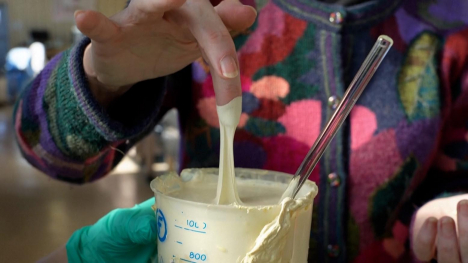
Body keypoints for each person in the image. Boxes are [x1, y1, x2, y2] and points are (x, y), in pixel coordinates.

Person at [14, 0, 468, 262]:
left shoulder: (451, 23)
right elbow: (49, 153)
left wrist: (443, 212)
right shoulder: (206, 12)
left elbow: (453, 178)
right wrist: (103, 77)